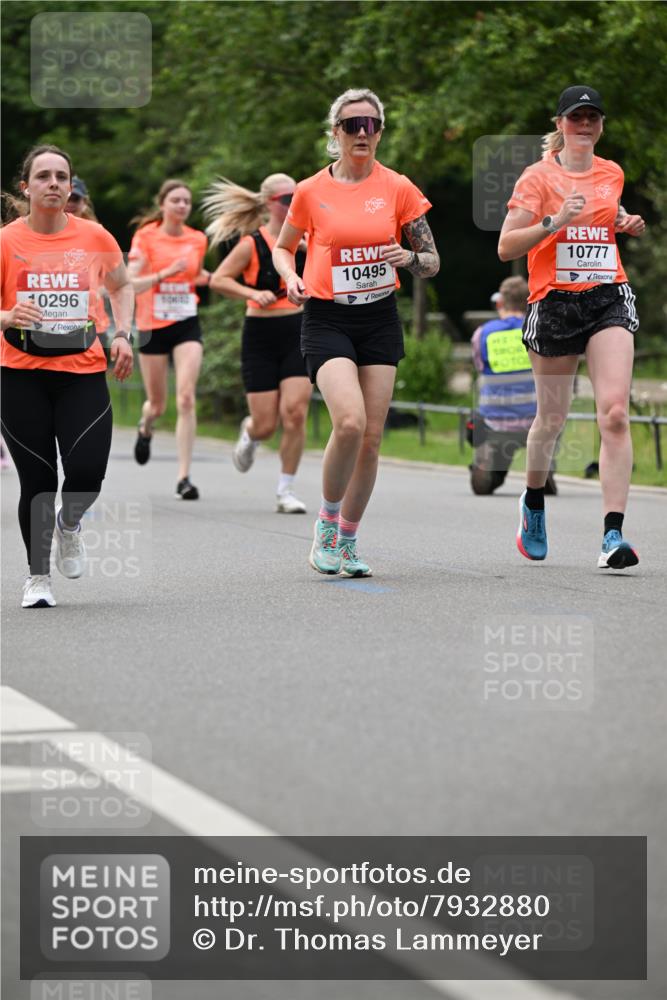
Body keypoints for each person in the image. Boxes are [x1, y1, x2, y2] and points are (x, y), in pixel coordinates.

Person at [273, 87, 439, 576]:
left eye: (371, 125)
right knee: (349, 422)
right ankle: (325, 526)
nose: (362, 133)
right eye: (352, 125)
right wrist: (290, 277)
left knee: (370, 437)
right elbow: (283, 247)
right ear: (336, 133)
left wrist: (407, 257)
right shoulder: (311, 191)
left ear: (380, 132)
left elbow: (432, 261)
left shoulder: (398, 187)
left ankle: (347, 540)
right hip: (327, 316)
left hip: (379, 318)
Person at [498, 85, 646, 568]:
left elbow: (604, 216)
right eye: (576, 117)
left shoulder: (612, 172)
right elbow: (506, 247)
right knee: (552, 419)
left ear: (600, 125)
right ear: (560, 124)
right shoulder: (537, 177)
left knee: (615, 413)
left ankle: (612, 535)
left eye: (592, 118)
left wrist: (623, 223)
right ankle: (533, 503)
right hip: (554, 303)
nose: (584, 125)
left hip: (607, 296)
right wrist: (553, 221)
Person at [0, 144, 134, 608]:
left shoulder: (94, 236)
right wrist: (6, 316)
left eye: (62, 176)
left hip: (82, 371)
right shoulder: (6, 242)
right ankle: (37, 578)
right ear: (26, 187)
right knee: (37, 482)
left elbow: (121, 285)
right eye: (44, 176)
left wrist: (122, 335)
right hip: (20, 375)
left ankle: (69, 523)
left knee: (87, 474)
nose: (54, 183)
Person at [204, 173, 311, 513]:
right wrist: (251, 293)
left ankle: (285, 491)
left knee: (295, 413)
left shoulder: (309, 238)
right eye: (286, 199)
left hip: (299, 330)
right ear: (268, 204)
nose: (293, 203)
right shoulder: (252, 243)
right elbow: (218, 279)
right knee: (266, 424)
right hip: (260, 335)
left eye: (297, 196)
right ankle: (250, 433)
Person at [128, 180, 209, 499]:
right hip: (152, 326)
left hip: (186, 322)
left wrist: (218, 279)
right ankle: (145, 425)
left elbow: (196, 276)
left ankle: (184, 478)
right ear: (162, 204)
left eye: (187, 201)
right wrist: (165, 273)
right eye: (175, 200)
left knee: (186, 398)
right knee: (158, 405)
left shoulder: (197, 239)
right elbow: (131, 283)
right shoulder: (146, 237)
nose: (182, 205)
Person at [469, 276, 557, 495]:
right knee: (557, 410)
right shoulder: (539, 329)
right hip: (535, 419)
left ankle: (488, 460)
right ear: (528, 301)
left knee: (474, 422)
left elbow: (480, 367)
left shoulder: (483, 334)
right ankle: (544, 465)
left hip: (494, 420)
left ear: (500, 303)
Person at [64, 175, 111, 341]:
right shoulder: (44, 233)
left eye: (75, 199)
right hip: (55, 322)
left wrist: (95, 291)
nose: (70, 203)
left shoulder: (97, 234)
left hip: (93, 323)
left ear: (84, 202)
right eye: (68, 198)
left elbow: (116, 281)